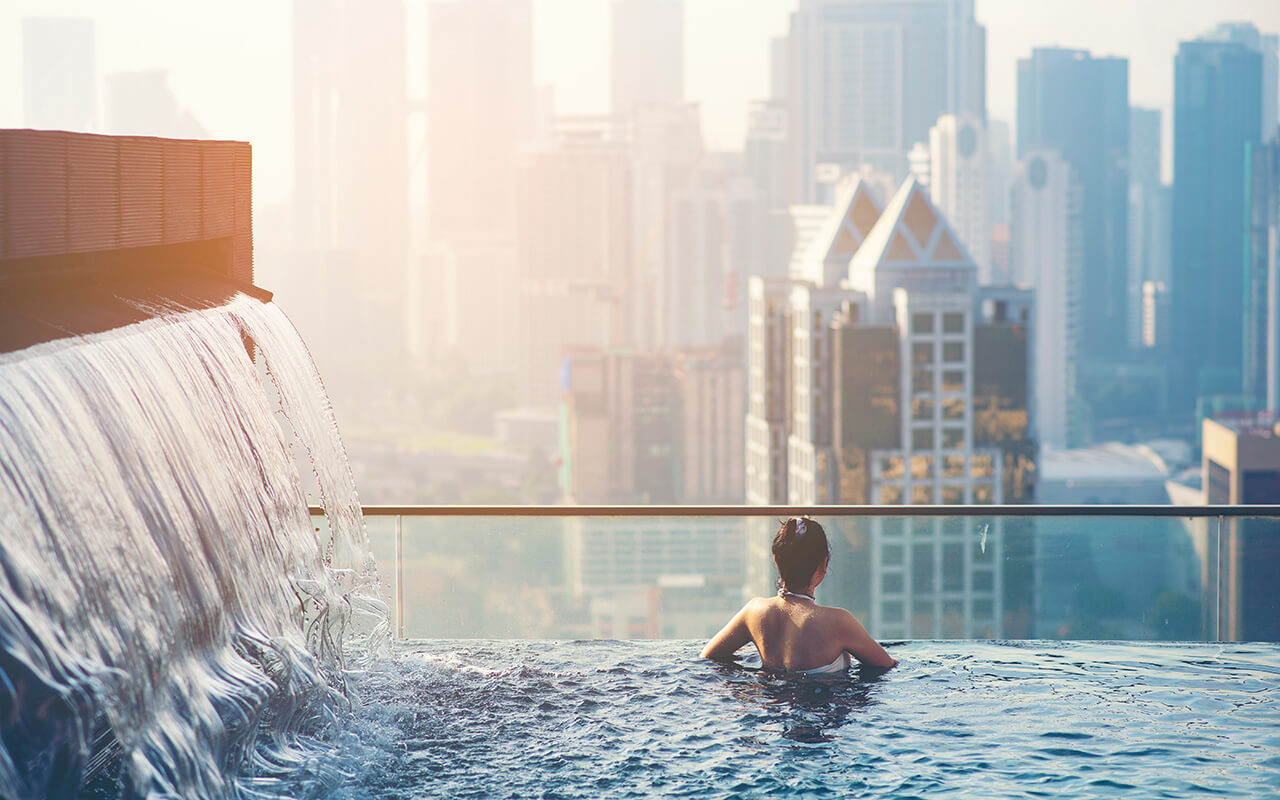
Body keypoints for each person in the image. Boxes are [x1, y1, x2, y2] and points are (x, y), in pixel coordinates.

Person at [701, 517, 897, 673]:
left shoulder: (754, 611)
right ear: (824, 566)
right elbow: (886, 664)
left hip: (770, 711)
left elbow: (708, 656)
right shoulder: (838, 621)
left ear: (776, 561)